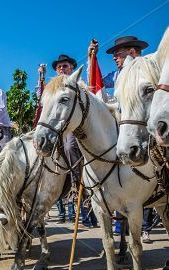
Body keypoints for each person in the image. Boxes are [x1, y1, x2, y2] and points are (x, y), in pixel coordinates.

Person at [89, 36, 152, 238]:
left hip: (143, 126)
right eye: (114, 53)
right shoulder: (115, 76)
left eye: (119, 52)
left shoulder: (146, 71)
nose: (115, 56)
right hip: (121, 127)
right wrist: (92, 57)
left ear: (132, 52)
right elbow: (97, 87)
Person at [51, 54, 97, 227]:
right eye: (59, 67)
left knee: (70, 147)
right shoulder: (53, 87)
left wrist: (90, 57)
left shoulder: (78, 85)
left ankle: (77, 183)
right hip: (56, 129)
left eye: (64, 66)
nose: (61, 69)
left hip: (75, 128)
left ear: (71, 69)